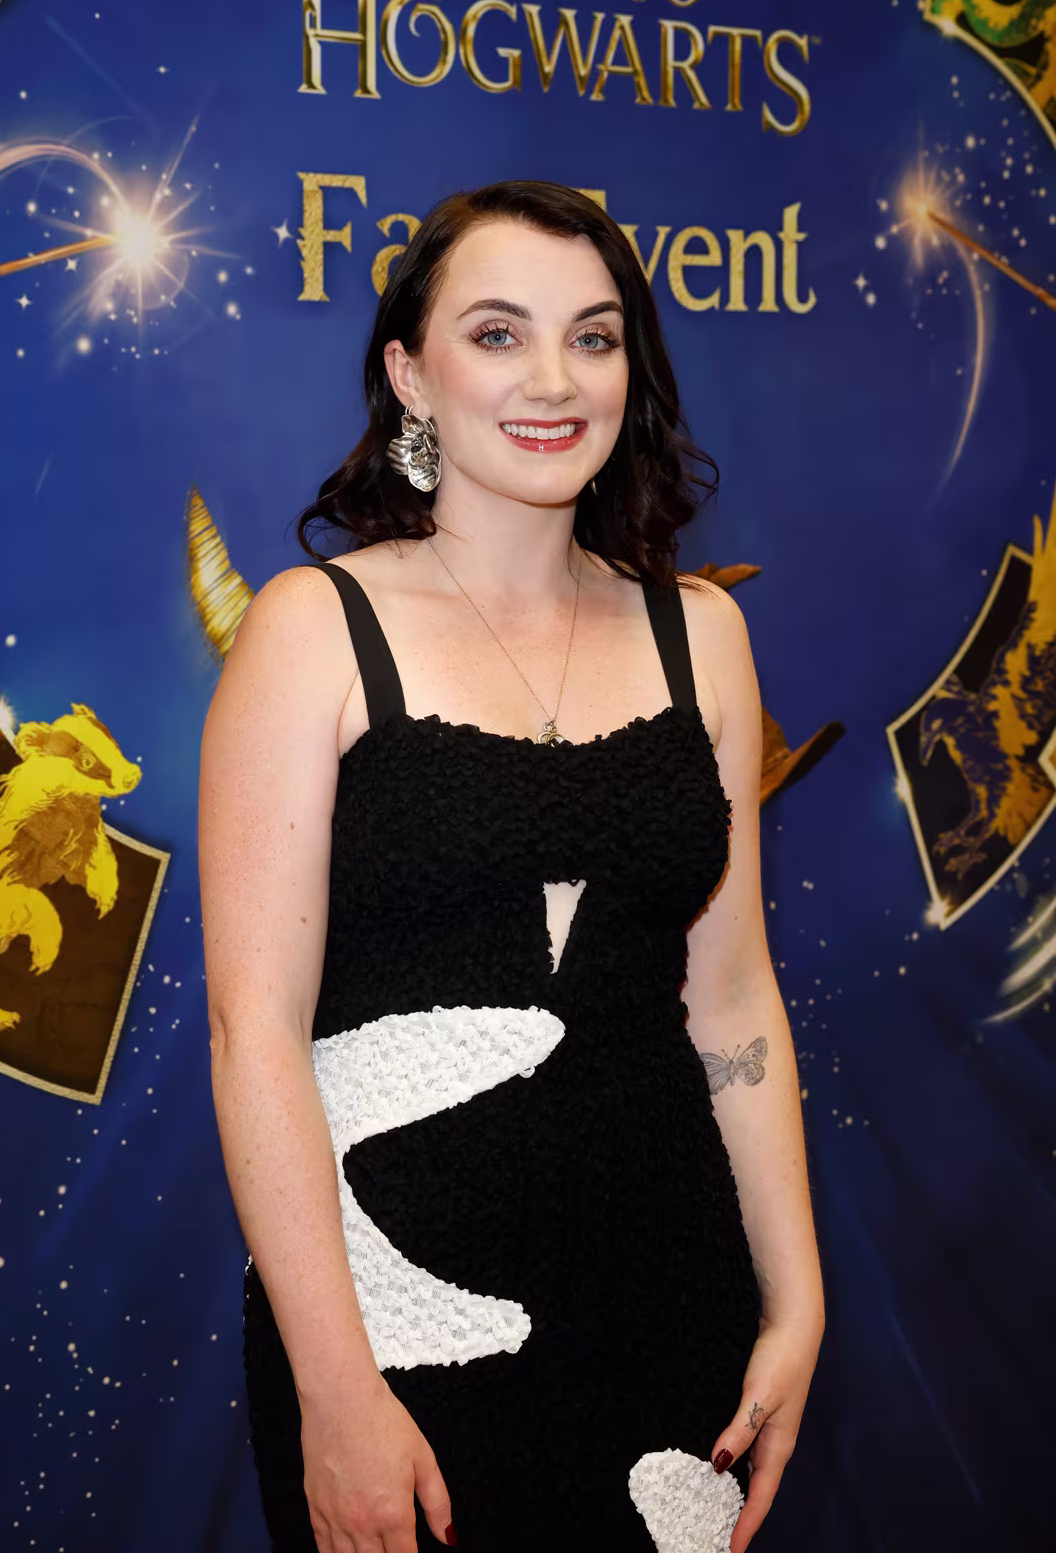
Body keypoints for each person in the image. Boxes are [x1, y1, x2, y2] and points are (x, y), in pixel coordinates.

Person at [199, 181, 824, 1552]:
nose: (554, 379)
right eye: (498, 334)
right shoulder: (313, 630)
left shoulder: (704, 637)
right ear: (409, 373)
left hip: (673, 1296)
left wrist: (795, 1303)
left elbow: (730, 1001)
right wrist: (335, 1390)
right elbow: (255, 1035)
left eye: (592, 337)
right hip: (392, 1327)